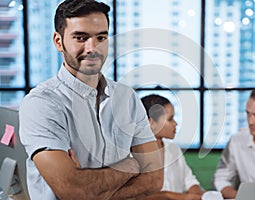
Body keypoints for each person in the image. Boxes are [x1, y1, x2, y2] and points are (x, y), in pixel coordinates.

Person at [19, 0, 163, 199]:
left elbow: (154, 179)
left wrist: (93, 192)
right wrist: (131, 165)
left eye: (101, 37)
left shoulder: (126, 97)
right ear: (58, 41)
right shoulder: (41, 104)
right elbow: (73, 190)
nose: (92, 48)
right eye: (80, 37)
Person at [141, 94, 205, 200]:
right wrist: (172, 196)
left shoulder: (173, 149)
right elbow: (136, 195)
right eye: (170, 119)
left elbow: (189, 181)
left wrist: (197, 193)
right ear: (151, 123)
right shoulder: (133, 154)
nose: (175, 123)